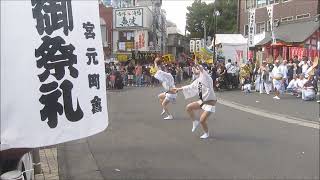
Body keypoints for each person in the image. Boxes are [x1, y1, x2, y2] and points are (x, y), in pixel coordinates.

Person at [173, 64, 217, 139]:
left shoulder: (207, 78)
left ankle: (206, 133)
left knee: (202, 120)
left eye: (196, 69)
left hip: (210, 103)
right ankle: (194, 121)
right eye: (194, 69)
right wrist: (178, 89)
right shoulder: (198, 80)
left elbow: (202, 69)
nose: (194, 70)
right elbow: (190, 86)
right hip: (202, 102)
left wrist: (197, 65)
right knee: (188, 107)